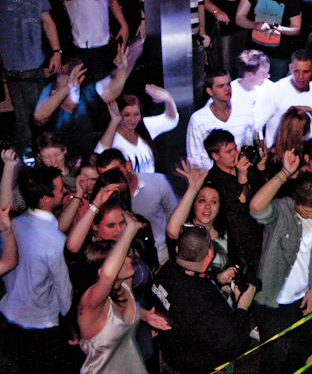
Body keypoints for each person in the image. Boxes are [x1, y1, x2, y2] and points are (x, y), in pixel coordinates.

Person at [249, 159, 312, 374]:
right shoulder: (281, 209)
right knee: (273, 357)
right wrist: (285, 173)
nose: (310, 215)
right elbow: (255, 207)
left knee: (303, 352)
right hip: (273, 300)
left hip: (305, 297)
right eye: (307, 210)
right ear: (295, 200)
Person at [152, 224, 256, 374]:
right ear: (210, 254)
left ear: (177, 249)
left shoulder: (167, 269)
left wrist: (216, 279)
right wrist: (243, 306)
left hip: (171, 360)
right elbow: (230, 345)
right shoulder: (204, 300)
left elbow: (187, 281)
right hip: (201, 368)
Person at [0, 166, 75, 373]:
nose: (65, 191)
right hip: (42, 324)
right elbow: (63, 291)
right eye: (60, 189)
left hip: (9, 314)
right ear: (46, 199)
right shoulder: (55, 240)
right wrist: (71, 326)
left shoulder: (16, 223)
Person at [76, 211, 170, 374]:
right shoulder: (91, 305)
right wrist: (130, 229)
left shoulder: (124, 285)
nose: (129, 259)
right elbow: (108, 275)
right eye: (121, 259)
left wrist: (145, 316)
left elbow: (124, 314)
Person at [0, 0, 62, 152]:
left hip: (37, 62)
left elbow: (47, 21)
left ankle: (43, 155)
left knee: (42, 115)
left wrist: (56, 52)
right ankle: (27, 159)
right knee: (24, 118)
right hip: (14, 67)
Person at [96, 149, 179, 265]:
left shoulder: (158, 182)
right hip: (123, 262)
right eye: (106, 176)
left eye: (116, 172)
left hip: (161, 257)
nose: (112, 179)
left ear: (128, 166)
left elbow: (176, 219)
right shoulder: (106, 198)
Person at [166, 161, 237, 286]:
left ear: (219, 207)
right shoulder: (185, 233)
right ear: (193, 204)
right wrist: (193, 188)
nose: (207, 207)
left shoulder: (227, 234)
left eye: (213, 202)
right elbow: (172, 232)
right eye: (202, 200)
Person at [203, 129, 267, 264]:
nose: (235, 154)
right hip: (239, 248)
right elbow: (236, 211)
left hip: (260, 238)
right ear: (215, 156)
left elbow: (263, 194)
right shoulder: (213, 182)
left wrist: (261, 168)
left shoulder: (245, 168)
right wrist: (242, 177)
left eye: (235, 149)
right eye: (229, 152)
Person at [236, 0, 302, 80]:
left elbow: (296, 28)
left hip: (279, 56)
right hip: (254, 53)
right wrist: (254, 25)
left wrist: (281, 29)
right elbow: (239, 17)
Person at [95, 85, 179, 174]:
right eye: (127, 115)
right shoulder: (113, 136)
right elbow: (98, 156)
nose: (133, 119)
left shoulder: (145, 126)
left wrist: (169, 99)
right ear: (119, 114)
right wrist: (114, 121)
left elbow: (171, 121)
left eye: (136, 114)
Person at [253, 49, 312, 148]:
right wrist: (262, 150)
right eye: (296, 71)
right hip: (279, 153)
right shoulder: (275, 91)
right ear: (290, 68)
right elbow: (255, 123)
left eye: (305, 72)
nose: (300, 76)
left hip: (309, 152)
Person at [187, 68, 253, 170]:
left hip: (241, 172)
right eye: (220, 86)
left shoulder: (245, 109)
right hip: (211, 176)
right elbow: (194, 158)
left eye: (228, 84)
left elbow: (250, 144)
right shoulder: (198, 119)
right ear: (210, 91)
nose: (227, 89)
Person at [188, 0, 209, 108]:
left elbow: (201, 3)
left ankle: (195, 112)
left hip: (195, 34)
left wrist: (202, 32)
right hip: (178, 35)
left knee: (198, 80)